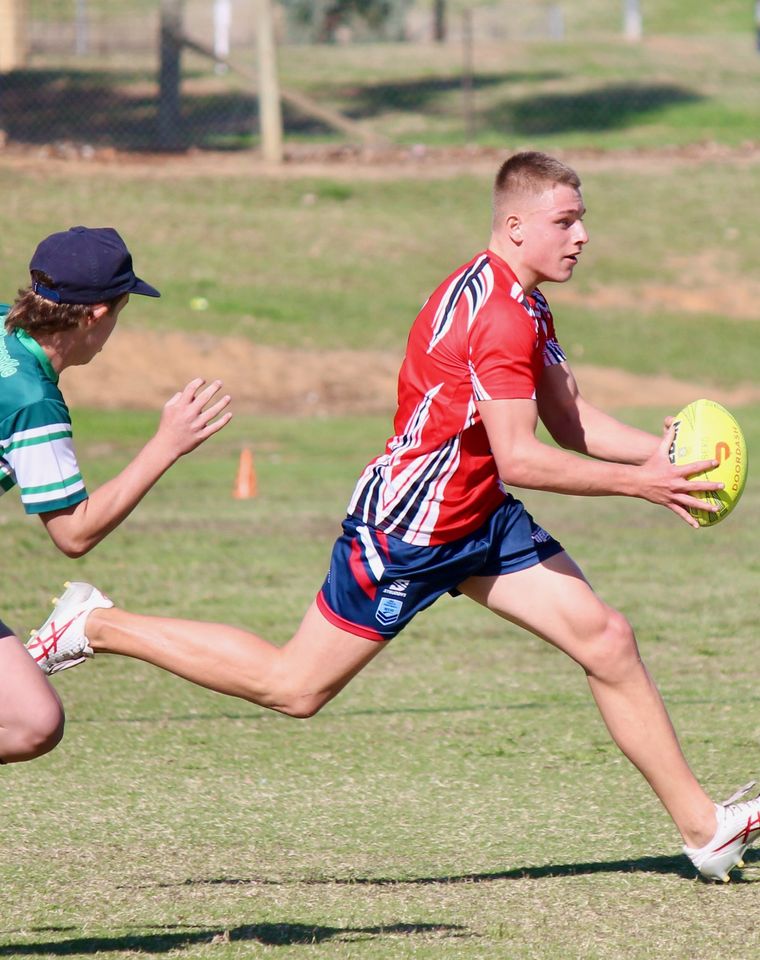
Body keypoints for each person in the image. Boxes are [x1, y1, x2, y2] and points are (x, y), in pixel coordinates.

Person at [27, 155, 760, 882]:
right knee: (295, 688)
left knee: (607, 637)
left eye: (582, 221)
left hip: (477, 519)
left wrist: (664, 456)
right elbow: (523, 459)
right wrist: (644, 486)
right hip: (409, 529)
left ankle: (705, 830)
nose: (581, 237)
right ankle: (96, 625)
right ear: (514, 227)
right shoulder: (498, 317)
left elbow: (567, 422)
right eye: (564, 222)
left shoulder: (523, 299)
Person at [1, 225, 231, 765]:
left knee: (32, 718)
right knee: (30, 723)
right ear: (96, 315)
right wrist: (165, 446)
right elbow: (74, 532)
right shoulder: (32, 401)